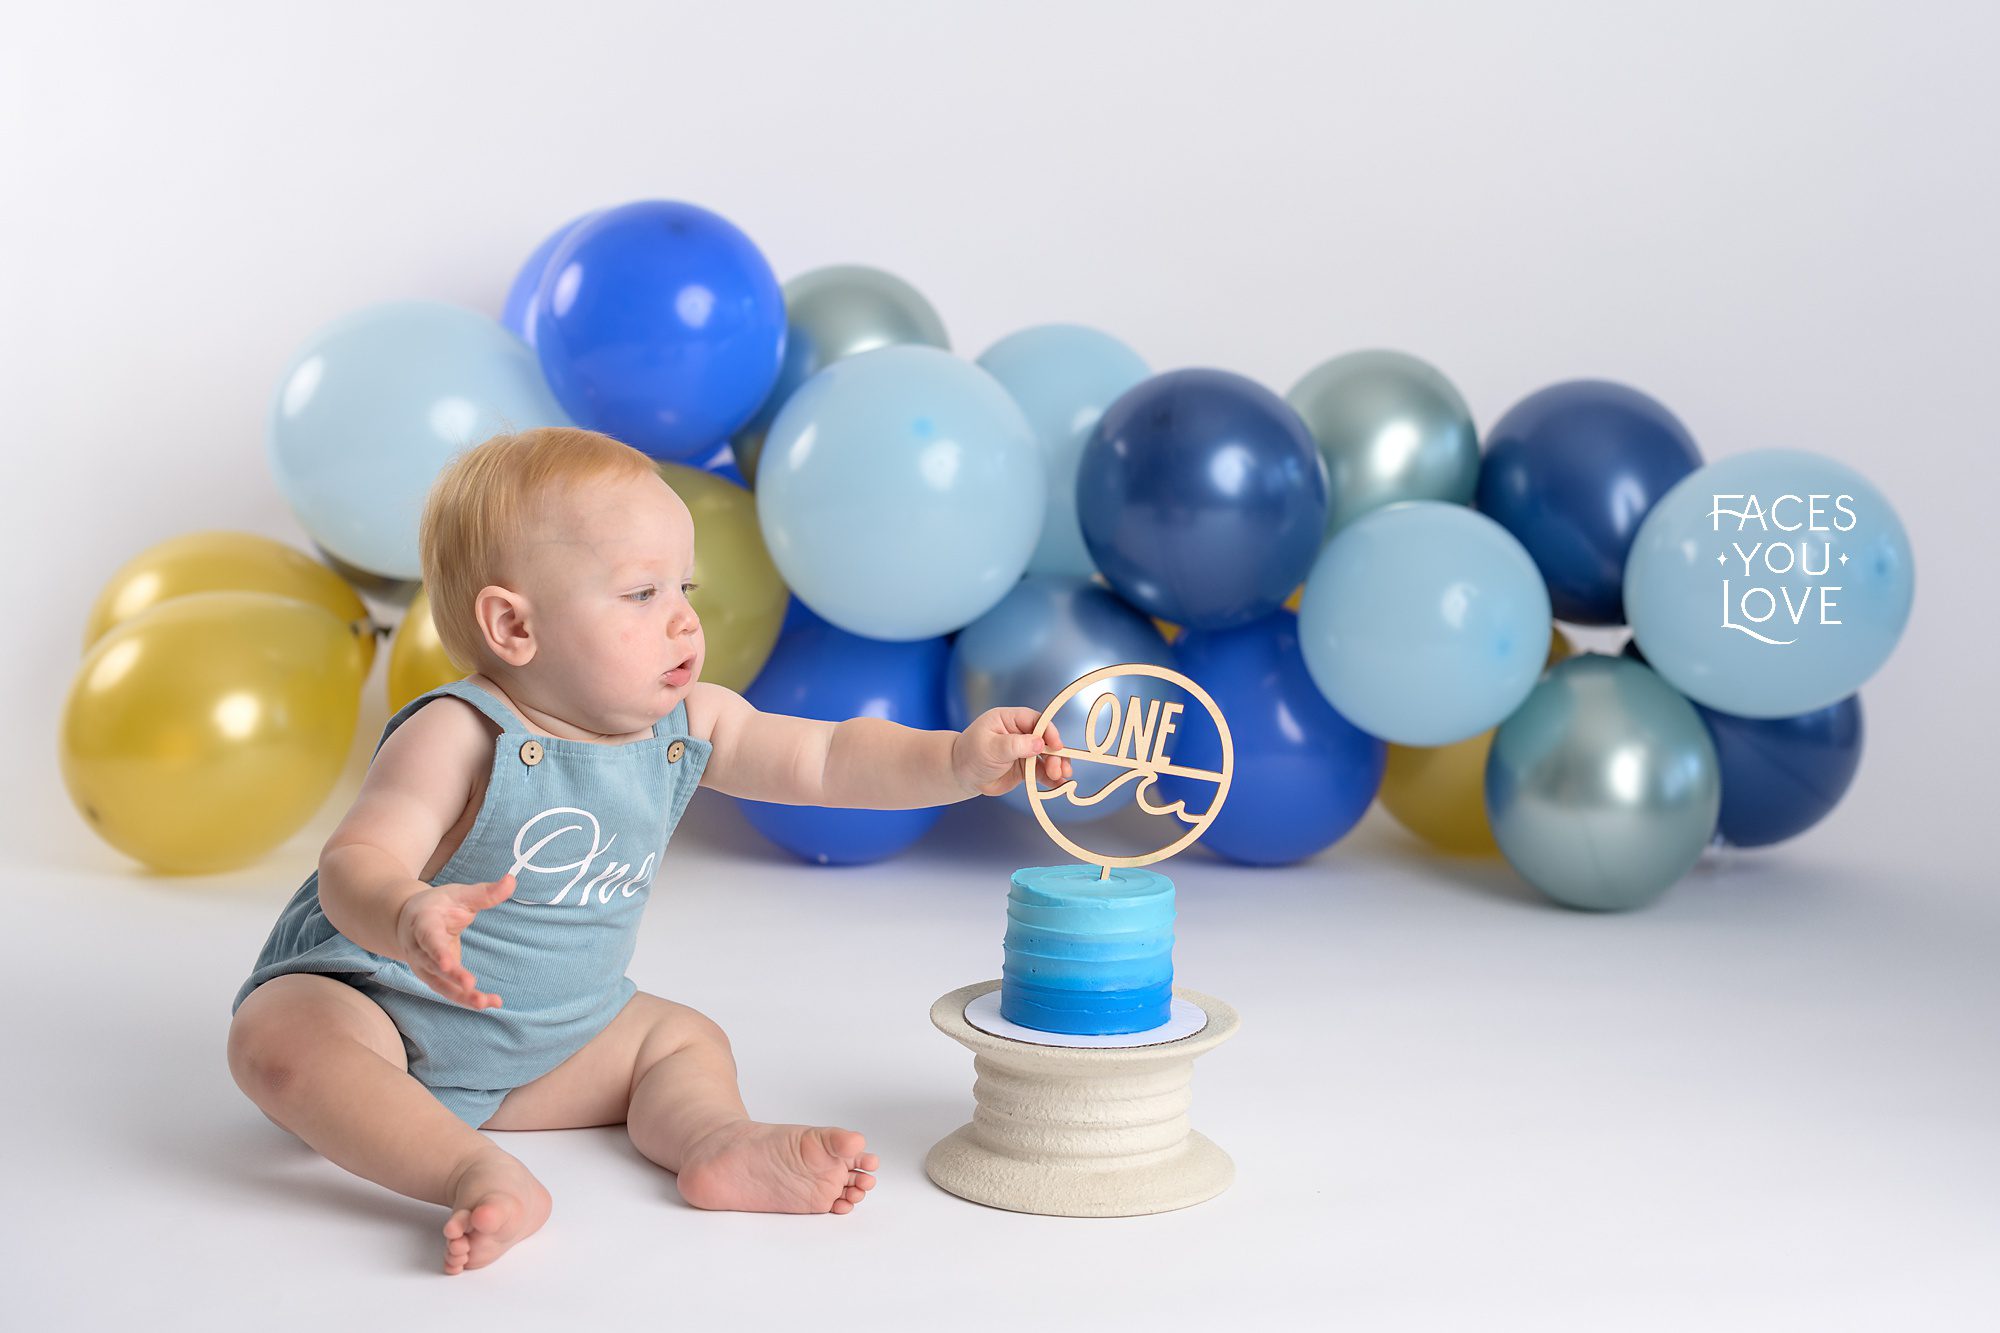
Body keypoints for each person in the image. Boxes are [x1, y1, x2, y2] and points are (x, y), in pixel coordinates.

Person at [226, 426, 1072, 1275]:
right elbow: (354, 862)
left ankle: (716, 1140)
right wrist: (407, 910)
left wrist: (958, 761)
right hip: (389, 1014)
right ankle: (468, 1168)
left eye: (684, 585)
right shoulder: (462, 732)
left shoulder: (688, 723)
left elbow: (828, 758)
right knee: (279, 1037)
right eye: (640, 593)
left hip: (550, 1044)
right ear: (513, 625)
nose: (684, 618)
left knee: (680, 1039)